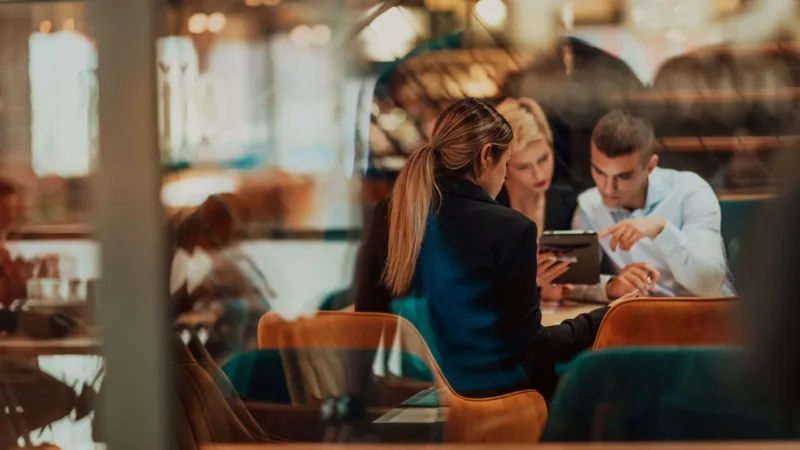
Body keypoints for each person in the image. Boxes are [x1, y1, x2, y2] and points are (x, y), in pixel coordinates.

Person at [354, 98, 607, 400]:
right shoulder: (511, 229)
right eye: (508, 163)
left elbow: (368, 323)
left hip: (414, 403)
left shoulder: (392, 213)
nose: (504, 175)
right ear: (488, 156)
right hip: (492, 407)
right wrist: (601, 318)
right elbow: (532, 350)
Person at [568, 110, 734, 302]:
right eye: (599, 172)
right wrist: (612, 285)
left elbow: (709, 285)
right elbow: (574, 283)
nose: (607, 188)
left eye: (623, 176)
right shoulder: (589, 206)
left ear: (650, 167)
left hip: (709, 315)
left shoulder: (691, 191)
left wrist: (661, 229)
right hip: (644, 319)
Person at [494, 97, 578, 301]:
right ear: (503, 167)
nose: (539, 175)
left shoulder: (570, 203)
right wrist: (530, 284)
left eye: (544, 159)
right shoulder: (488, 211)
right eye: (523, 167)